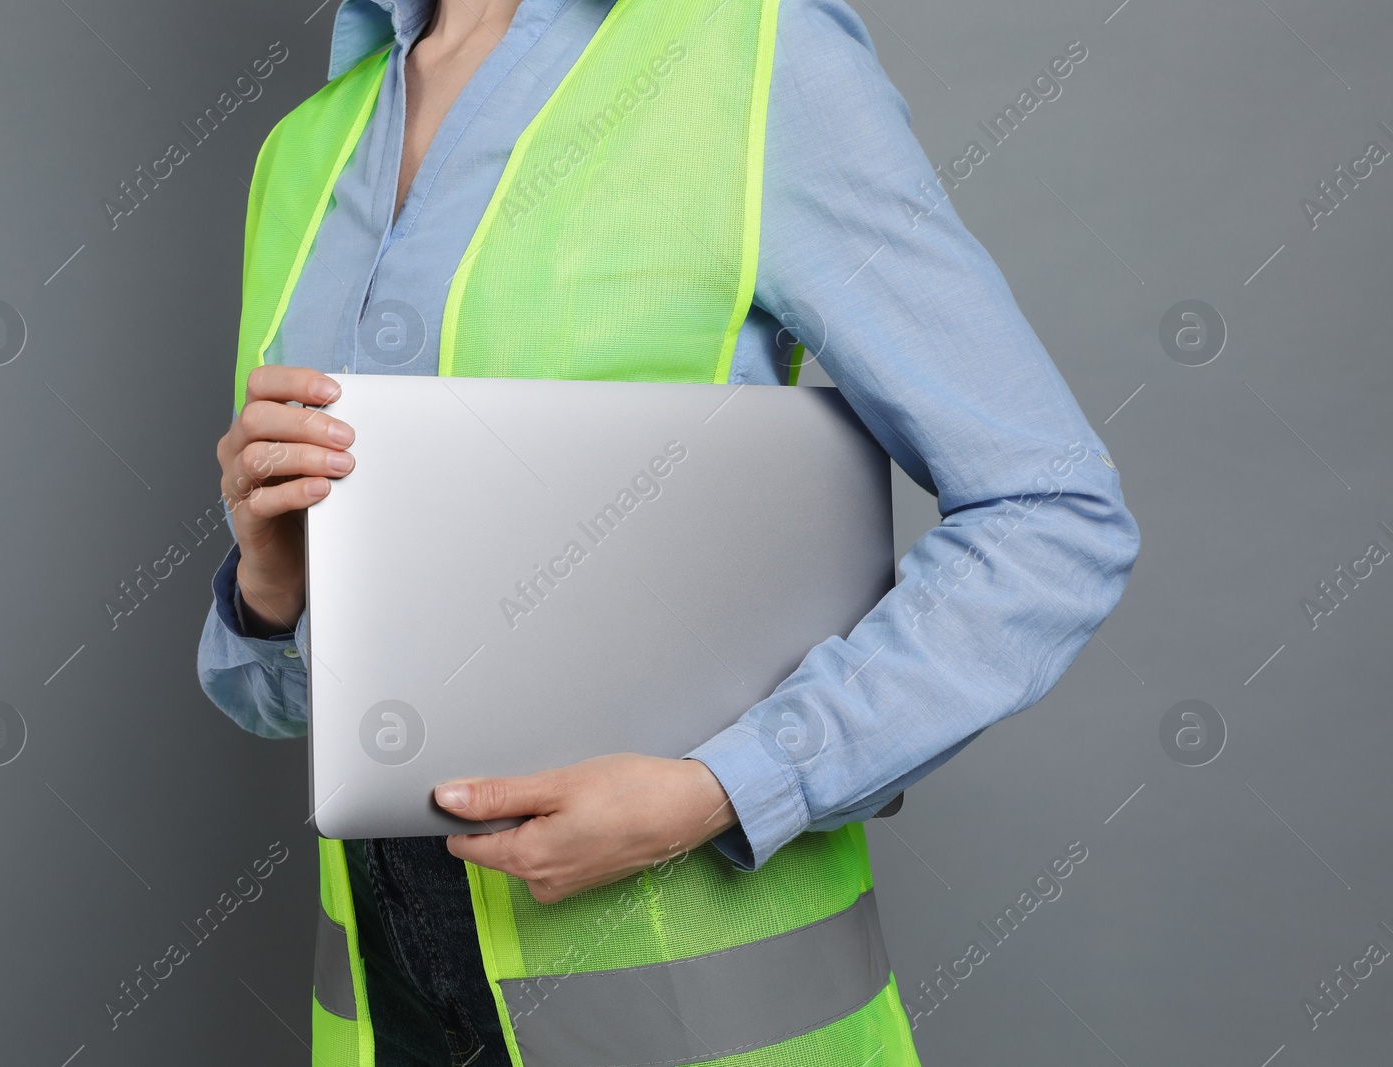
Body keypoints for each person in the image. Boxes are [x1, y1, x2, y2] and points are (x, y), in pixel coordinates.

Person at [198, 0, 1141, 1062]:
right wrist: (268, 583)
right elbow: (276, 701)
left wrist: (725, 787)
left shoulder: (756, 56)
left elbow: (1051, 511)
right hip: (383, 1021)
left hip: (704, 1028)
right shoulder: (304, 148)